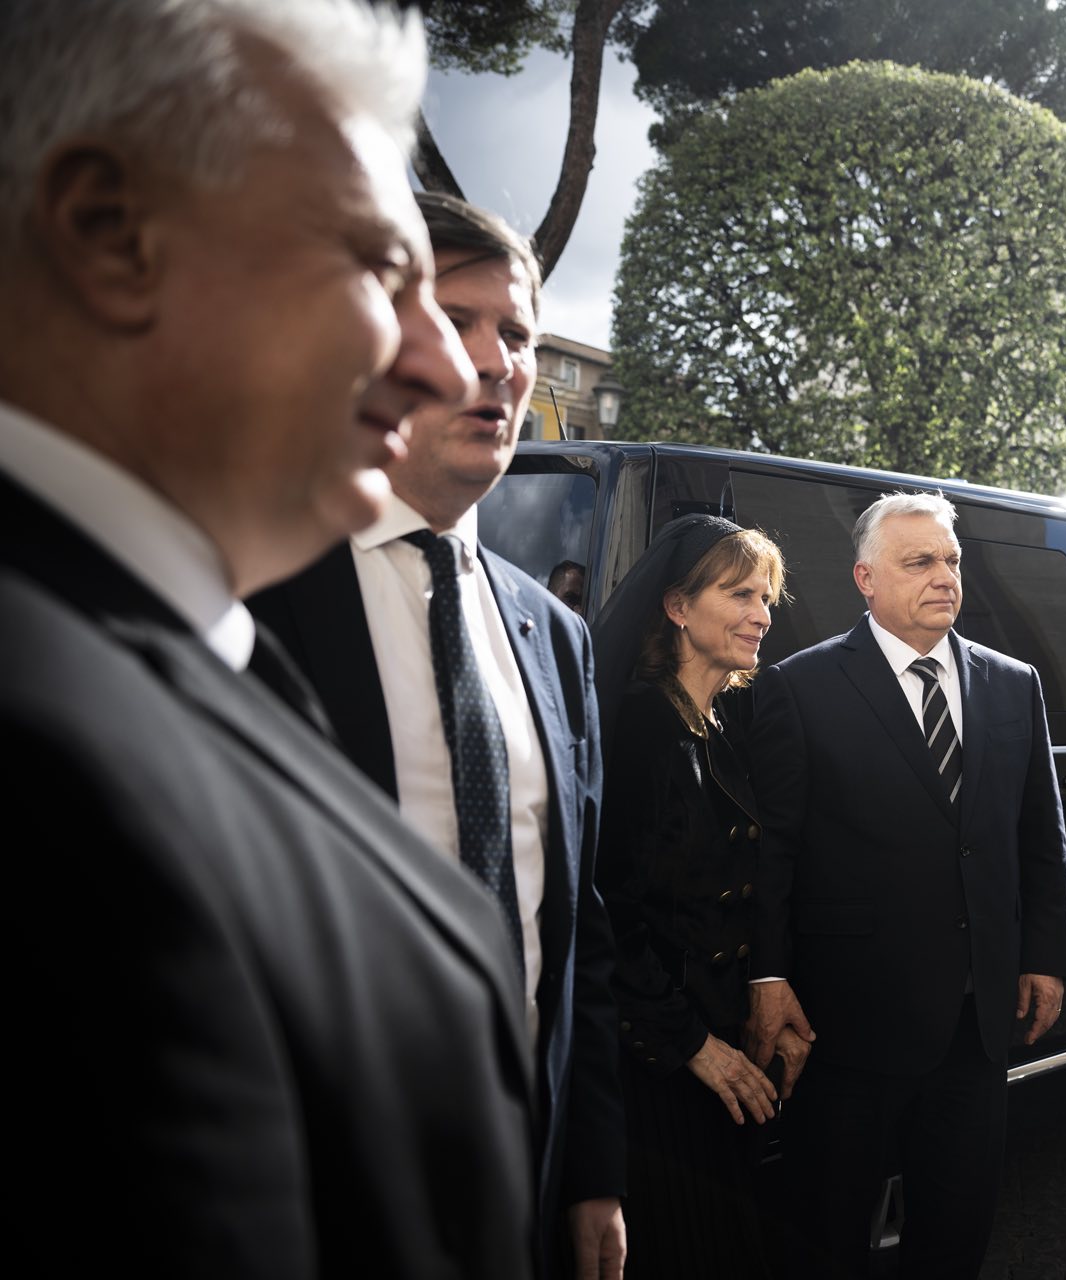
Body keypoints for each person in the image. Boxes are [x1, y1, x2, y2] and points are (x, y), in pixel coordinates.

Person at [1, 1, 543, 1274]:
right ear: (110, 233)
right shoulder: (46, 763)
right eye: (376, 269)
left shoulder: (167, 652)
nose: (445, 366)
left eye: (506, 330)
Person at [248, 193, 625, 1279]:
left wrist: (593, 1170)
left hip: (529, 1187)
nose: (498, 361)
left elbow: (580, 931)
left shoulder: (555, 635)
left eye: (517, 333)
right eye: (455, 320)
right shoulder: (252, 592)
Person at [747, 491, 1066, 1278]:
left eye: (952, 560)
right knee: (829, 1237)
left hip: (975, 1023)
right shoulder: (800, 685)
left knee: (955, 1235)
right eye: (919, 561)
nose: (943, 577)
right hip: (849, 1024)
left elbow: (1041, 837)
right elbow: (772, 852)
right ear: (865, 579)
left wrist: (1046, 957)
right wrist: (767, 974)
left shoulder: (1014, 683)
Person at [595, 514, 797, 1278]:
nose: (762, 614)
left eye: (766, 597)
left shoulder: (718, 723)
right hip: (656, 1074)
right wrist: (693, 1046)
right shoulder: (639, 729)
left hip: (718, 1049)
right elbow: (607, 914)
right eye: (740, 594)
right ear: (678, 606)